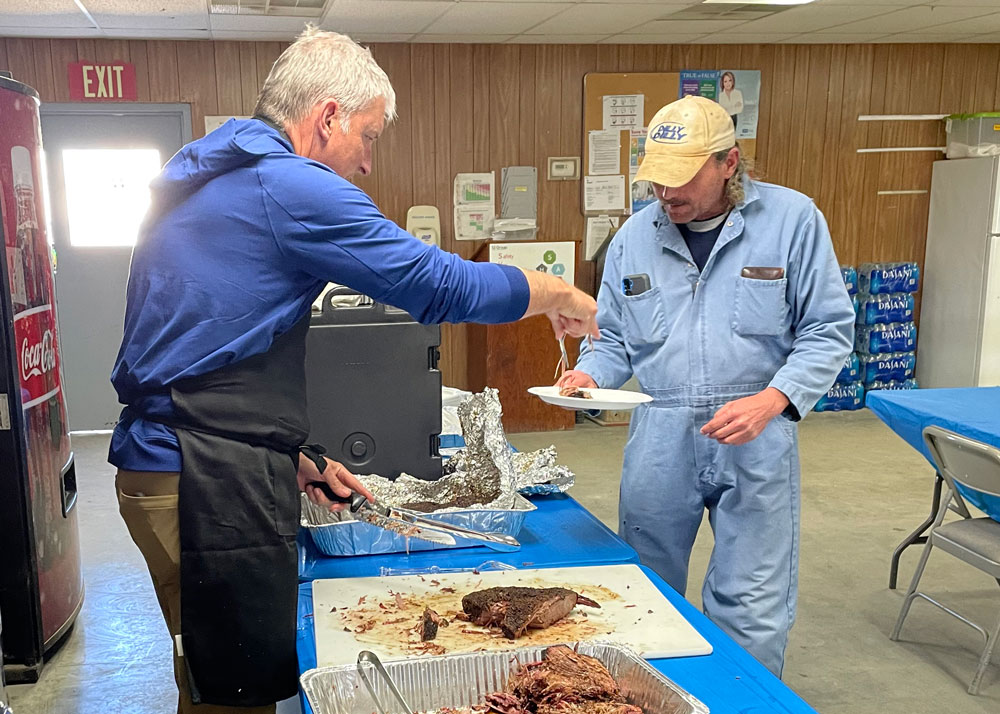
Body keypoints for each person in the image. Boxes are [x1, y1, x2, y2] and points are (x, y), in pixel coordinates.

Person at [110, 26, 598, 714]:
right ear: (327, 116)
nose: (368, 163)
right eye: (367, 136)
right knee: (231, 694)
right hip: (195, 473)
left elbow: (214, 347)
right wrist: (557, 292)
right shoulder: (286, 185)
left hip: (188, 453)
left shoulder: (218, 175)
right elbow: (438, 286)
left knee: (218, 675)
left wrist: (294, 456)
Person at [557, 95, 854, 677]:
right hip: (660, 431)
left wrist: (774, 400)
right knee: (641, 590)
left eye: (681, 178)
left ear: (729, 163)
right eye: (656, 182)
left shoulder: (793, 221)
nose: (666, 196)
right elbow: (613, 336)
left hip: (755, 433)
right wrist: (590, 372)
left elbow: (828, 329)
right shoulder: (633, 239)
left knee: (752, 603)